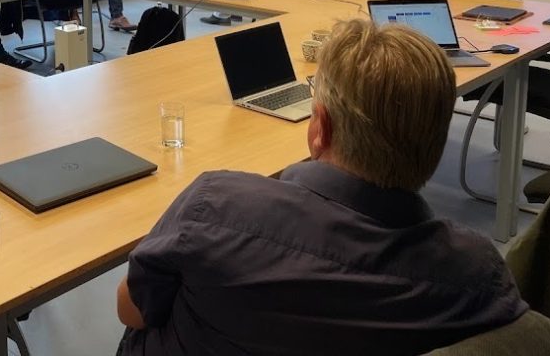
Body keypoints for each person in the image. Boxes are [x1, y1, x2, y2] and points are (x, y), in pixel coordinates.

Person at [116, 18, 527, 356]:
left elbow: (131, 310)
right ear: (437, 142)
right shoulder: (477, 273)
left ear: (319, 127)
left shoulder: (214, 208)